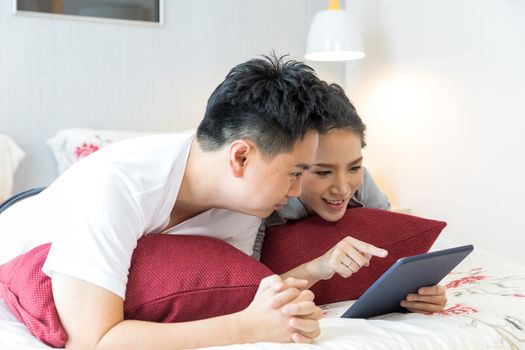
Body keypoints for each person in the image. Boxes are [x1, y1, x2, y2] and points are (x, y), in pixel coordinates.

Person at [0, 55, 331, 349]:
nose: (296, 191)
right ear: (240, 157)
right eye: (294, 173)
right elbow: (89, 340)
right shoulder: (114, 185)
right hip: (18, 219)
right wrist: (245, 328)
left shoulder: (245, 204)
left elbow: (224, 294)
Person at [253, 83, 447, 314]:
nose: (343, 189)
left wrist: (421, 292)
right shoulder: (263, 201)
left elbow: (391, 249)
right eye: (323, 172)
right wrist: (317, 267)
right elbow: (251, 295)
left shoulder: (362, 183)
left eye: (354, 167)